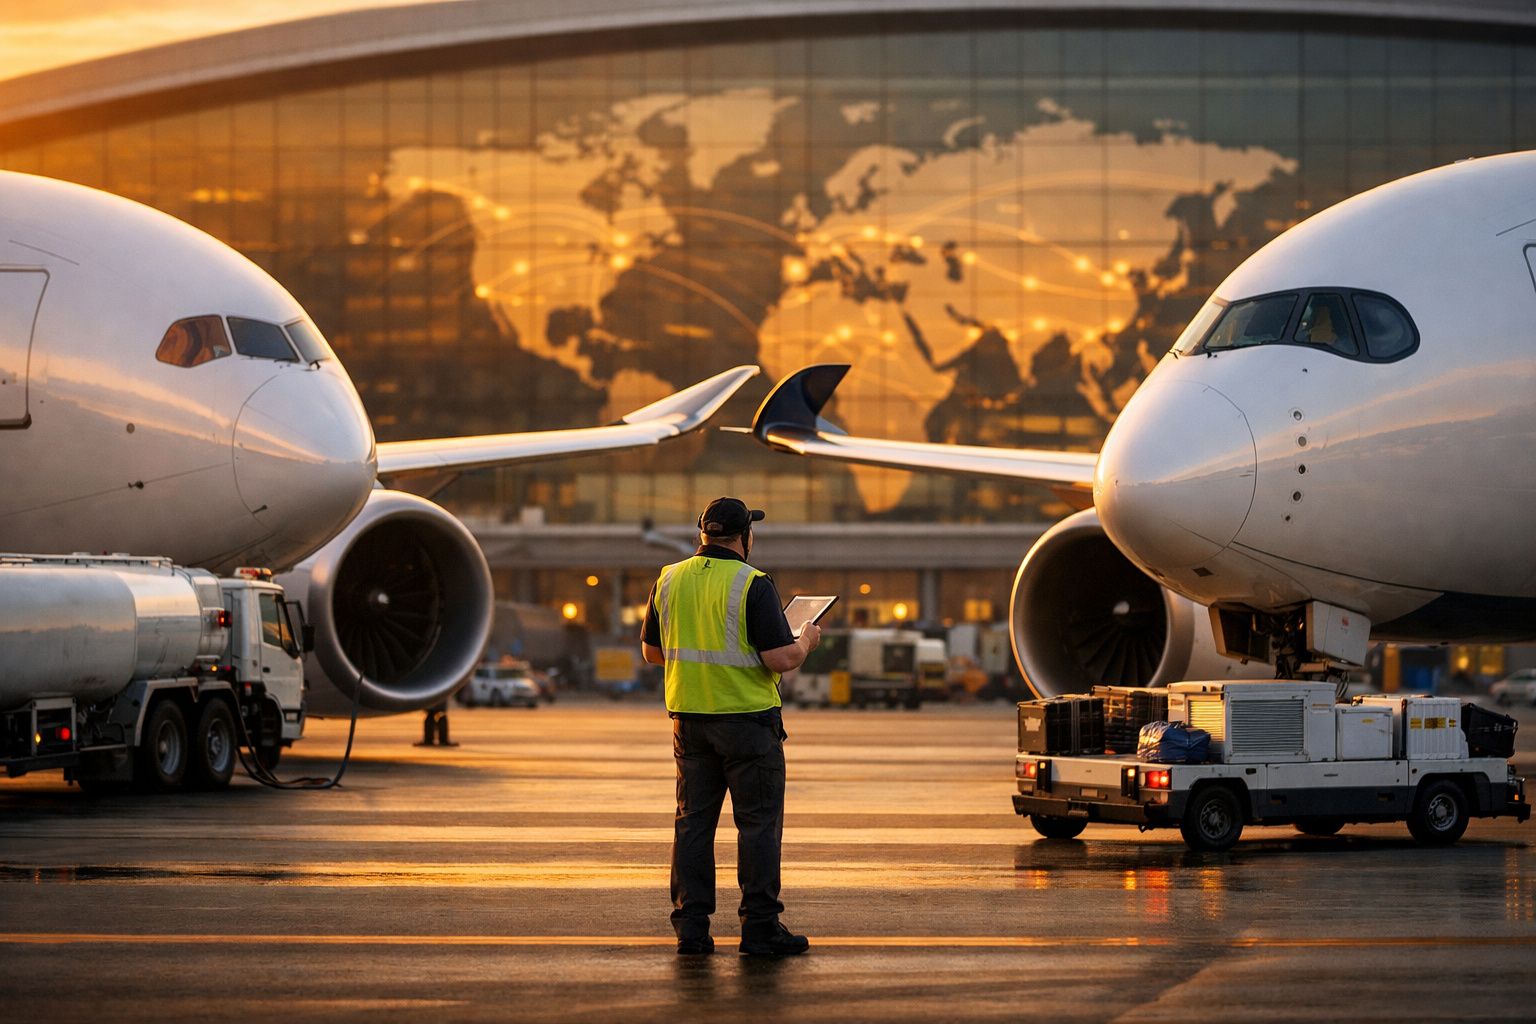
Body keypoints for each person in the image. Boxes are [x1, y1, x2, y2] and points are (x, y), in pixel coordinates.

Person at [641, 497, 822, 957]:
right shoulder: (753, 583)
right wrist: (805, 642)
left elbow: (652, 653)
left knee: (693, 825)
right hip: (747, 724)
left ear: (702, 533)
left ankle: (692, 930)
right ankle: (760, 928)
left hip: (690, 724)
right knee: (758, 826)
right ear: (745, 536)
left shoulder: (668, 578)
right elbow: (778, 658)